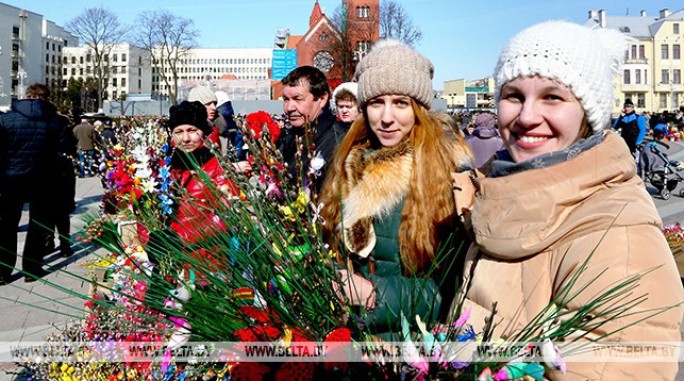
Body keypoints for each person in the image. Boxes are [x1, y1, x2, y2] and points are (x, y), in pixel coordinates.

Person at [451, 21, 683, 379]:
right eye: (513, 95)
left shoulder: (617, 234)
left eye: (553, 97)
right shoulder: (498, 195)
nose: (527, 116)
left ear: (587, 115)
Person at [319, 40, 474, 338]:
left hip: (412, 350)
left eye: (401, 103)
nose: (387, 118)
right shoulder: (348, 164)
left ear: (418, 108)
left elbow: (454, 291)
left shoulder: (446, 174)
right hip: (353, 344)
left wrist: (375, 295)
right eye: (377, 103)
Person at [0, 84, 69, 283]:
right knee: (39, 224)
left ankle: (3, 271)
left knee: (6, 225)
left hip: (10, 176)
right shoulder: (56, 122)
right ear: (46, 98)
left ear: (26, 96)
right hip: (44, 177)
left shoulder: (5, 120)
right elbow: (63, 149)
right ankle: (32, 268)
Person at [278, 66, 337, 191]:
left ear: (321, 99)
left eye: (298, 99)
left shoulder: (336, 140)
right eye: (286, 100)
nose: (289, 108)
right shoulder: (289, 137)